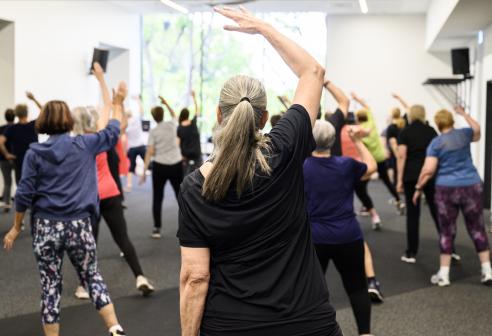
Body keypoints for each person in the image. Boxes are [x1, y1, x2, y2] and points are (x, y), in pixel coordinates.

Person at [177, 7, 341, 336]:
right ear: (264, 118)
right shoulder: (285, 148)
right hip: (306, 322)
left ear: (219, 116)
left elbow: (196, 277)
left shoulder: (195, 186)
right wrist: (264, 29)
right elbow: (313, 71)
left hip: (232, 325)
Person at [3, 63, 127, 336]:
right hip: (79, 226)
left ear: (44, 120)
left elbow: (23, 193)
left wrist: (16, 226)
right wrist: (117, 104)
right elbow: (113, 130)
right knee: (92, 277)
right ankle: (115, 328)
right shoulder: (85, 144)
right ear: (68, 120)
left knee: (50, 285)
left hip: (46, 227)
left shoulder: (35, 153)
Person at [72, 104, 154, 298]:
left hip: (92, 198)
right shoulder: (102, 138)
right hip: (111, 193)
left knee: (90, 242)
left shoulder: (78, 144)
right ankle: (140, 276)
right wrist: (117, 100)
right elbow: (112, 117)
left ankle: (83, 286)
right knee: (122, 238)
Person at [304, 120, 376, 335]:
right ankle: (365, 333)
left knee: (311, 292)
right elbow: (371, 166)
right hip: (348, 236)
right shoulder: (346, 165)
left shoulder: (303, 167)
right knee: (357, 288)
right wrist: (357, 141)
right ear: (333, 141)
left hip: (316, 239)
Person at [414, 106, 492, 287]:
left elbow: (428, 169)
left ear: (437, 123)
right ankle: (487, 271)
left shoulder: (436, 143)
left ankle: (444, 274)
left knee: (447, 231)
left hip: (446, 190)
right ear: (451, 121)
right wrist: (464, 114)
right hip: (471, 186)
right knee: (477, 228)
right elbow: (478, 131)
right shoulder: (464, 134)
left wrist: (418, 187)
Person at [396, 104, 440, 264]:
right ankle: (450, 249)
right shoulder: (432, 131)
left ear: (410, 115)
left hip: (411, 176)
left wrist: (399, 180)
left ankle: (411, 252)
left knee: (413, 214)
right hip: (429, 175)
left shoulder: (405, 132)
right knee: (437, 212)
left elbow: (401, 157)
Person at [352, 92, 404, 220]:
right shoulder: (371, 123)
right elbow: (368, 108)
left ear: (358, 118)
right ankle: (398, 200)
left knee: (362, 185)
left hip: (369, 161)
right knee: (386, 181)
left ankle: (366, 206)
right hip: (380, 158)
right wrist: (357, 98)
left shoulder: (358, 131)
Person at [141, 96, 183, 239]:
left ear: (153, 118)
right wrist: (167, 103)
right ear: (163, 114)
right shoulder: (171, 124)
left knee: (157, 198)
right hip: (176, 165)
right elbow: (175, 115)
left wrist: (143, 170)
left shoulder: (153, 131)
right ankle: (188, 226)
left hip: (160, 167)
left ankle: (157, 229)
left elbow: (150, 152)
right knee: (181, 196)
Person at [0, 92, 41, 184]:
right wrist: (33, 99)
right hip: (34, 161)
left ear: (16, 114)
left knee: (21, 186)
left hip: (19, 162)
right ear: (27, 112)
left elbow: (0, 141)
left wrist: (7, 154)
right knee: (34, 186)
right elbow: (45, 112)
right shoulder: (33, 125)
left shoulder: (12, 128)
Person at [177, 90, 203, 176]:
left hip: (186, 156)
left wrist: (180, 156)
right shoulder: (193, 123)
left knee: (186, 178)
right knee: (200, 176)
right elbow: (197, 110)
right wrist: (194, 97)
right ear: (188, 115)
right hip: (196, 153)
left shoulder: (179, 127)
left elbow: (178, 144)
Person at [125, 95, 147, 192]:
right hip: (141, 146)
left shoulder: (125, 125)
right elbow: (142, 111)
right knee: (147, 163)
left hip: (133, 148)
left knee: (131, 167)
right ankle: (144, 175)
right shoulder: (136, 119)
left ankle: (129, 185)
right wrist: (138, 100)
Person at [0, 108, 15, 211]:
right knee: (21, 181)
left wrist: (5, 154)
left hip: (3, 158)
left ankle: (6, 204)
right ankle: (24, 204)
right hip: (15, 158)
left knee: (7, 182)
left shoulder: (1, 128)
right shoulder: (16, 128)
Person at [385, 107, 405, 187]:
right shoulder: (403, 124)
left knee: (396, 169)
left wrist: (397, 156)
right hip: (403, 150)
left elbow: (393, 143)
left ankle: (397, 185)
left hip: (396, 151)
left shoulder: (391, 127)